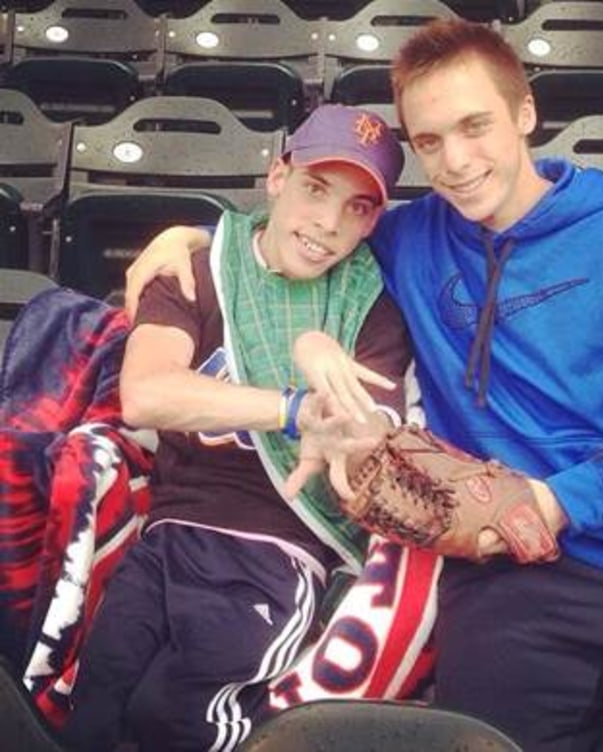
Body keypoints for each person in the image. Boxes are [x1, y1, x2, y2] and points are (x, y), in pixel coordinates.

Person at [124, 19, 603, 752]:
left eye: (475, 126)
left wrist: (557, 502)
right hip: (513, 585)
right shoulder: (410, 237)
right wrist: (200, 237)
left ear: (525, 114)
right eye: (429, 142)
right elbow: (300, 237)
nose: (455, 162)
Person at [62, 103, 411, 752]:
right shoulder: (200, 268)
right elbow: (145, 395)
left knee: (183, 718)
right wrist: (294, 404)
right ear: (278, 176)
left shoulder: (372, 306)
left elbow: (366, 434)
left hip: (276, 555)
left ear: (374, 221)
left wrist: (331, 394)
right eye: (315, 189)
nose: (328, 224)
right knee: (98, 705)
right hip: (167, 534)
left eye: (357, 207)